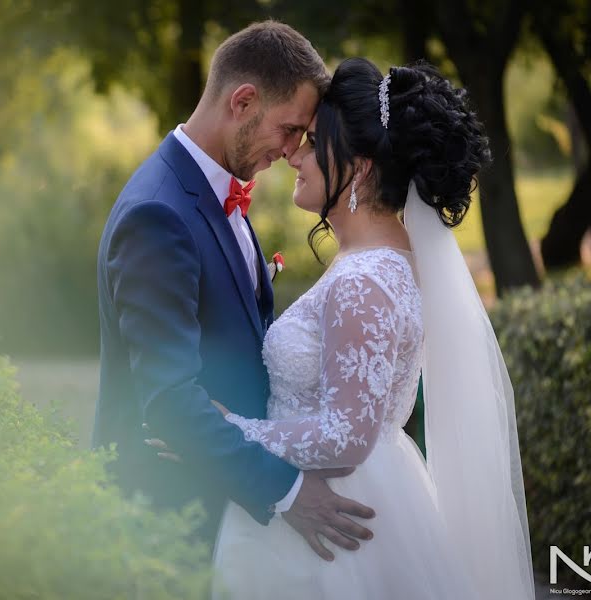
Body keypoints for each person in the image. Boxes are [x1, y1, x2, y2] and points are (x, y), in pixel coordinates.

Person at [209, 57, 536, 598]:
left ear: (359, 168)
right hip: (365, 493)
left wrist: (231, 432)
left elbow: (346, 435)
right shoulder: (381, 262)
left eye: (312, 143)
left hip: (333, 523)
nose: (293, 153)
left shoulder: (364, 280)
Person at [93, 21, 377, 552]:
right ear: (242, 102)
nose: (294, 150)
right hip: (168, 519)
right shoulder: (158, 214)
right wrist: (289, 491)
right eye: (291, 128)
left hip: (223, 513)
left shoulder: (214, 190)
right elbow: (171, 401)